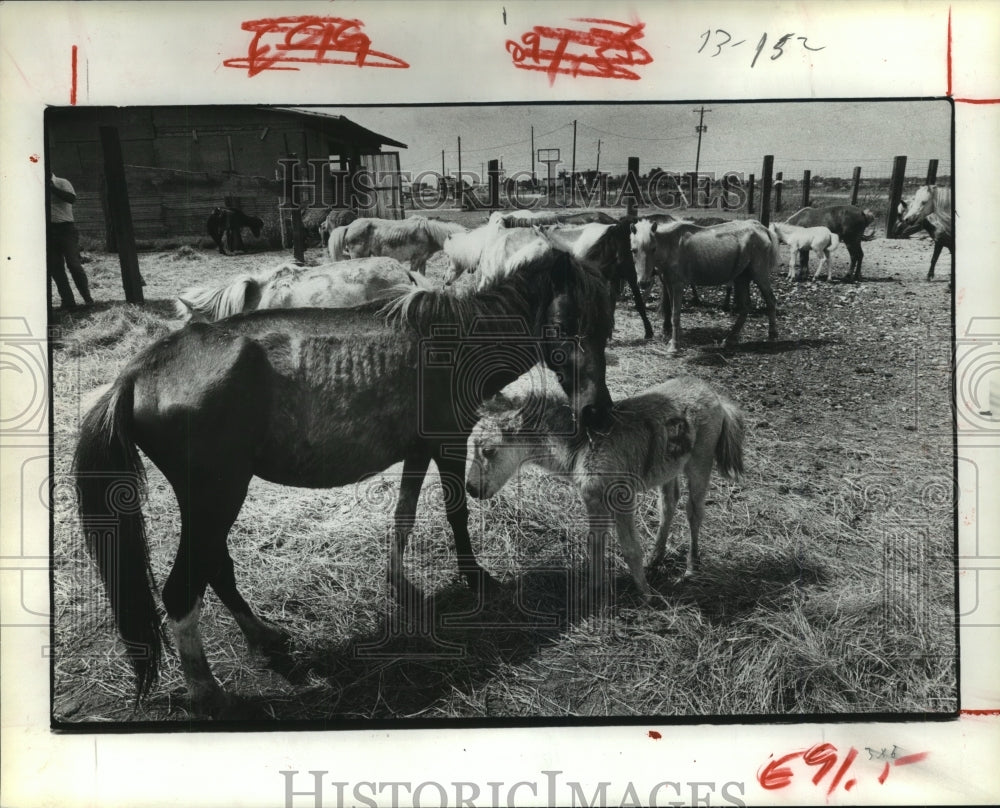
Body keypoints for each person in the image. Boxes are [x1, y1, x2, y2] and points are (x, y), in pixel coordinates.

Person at [48, 172, 94, 310]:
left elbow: (71, 198)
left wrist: (51, 188)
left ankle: (88, 299)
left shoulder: (62, 182)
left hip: (66, 229)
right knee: (56, 268)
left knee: (73, 264)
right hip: (49, 231)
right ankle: (68, 301)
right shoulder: (36, 186)